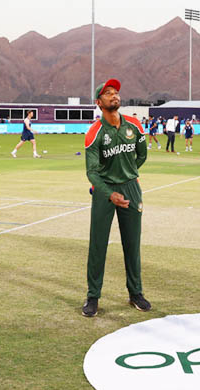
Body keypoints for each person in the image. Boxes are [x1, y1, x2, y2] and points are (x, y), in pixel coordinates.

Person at [83, 78, 150, 317]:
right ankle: (93, 296)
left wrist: (127, 175)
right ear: (99, 102)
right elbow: (91, 172)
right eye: (108, 93)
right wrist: (109, 192)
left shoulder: (134, 125)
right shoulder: (94, 133)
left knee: (132, 244)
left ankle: (135, 293)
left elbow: (142, 156)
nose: (114, 95)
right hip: (104, 191)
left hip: (131, 188)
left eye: (116, 92)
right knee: (98, 245)